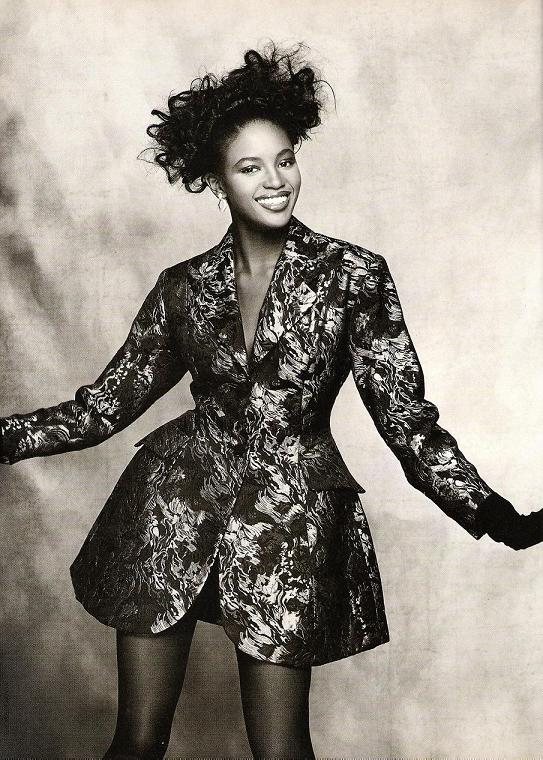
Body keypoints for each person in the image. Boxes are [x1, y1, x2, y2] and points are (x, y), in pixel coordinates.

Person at [0, 42, 541, 760]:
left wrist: (490, 514)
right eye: (250, 167)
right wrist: (6, 437)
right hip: (170, 514)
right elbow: (104, 405)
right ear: (217, 180)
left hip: (288, 529)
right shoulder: (183, 287)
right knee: (136, 742)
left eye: (285, 159)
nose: (276, 180)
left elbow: (406, 421)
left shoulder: (353, 277)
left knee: (282, 751)